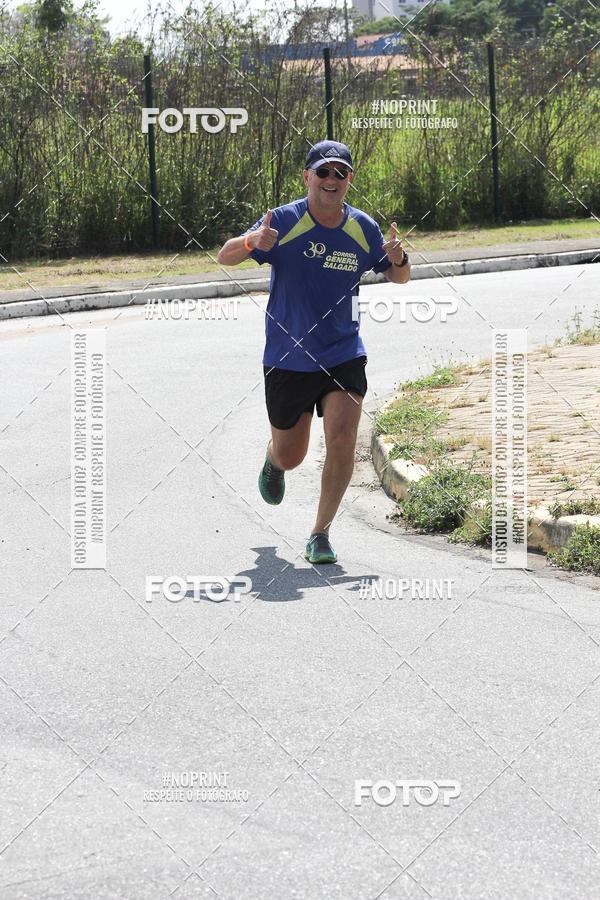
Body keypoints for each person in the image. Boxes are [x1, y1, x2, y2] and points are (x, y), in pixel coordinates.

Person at [217, 139, 411, 564]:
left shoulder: (363, 228)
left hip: (343, 352)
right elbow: (224, 256)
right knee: (293, 453)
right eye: (323, 172)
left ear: (349, 181)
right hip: (288, 356)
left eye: (340, 173)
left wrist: (399, 257)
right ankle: (273, 459)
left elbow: (399, 277)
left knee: (342, 439)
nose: (331, 180)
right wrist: (253, 240)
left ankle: (320, 533)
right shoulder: (283, 221)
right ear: (307, 177)